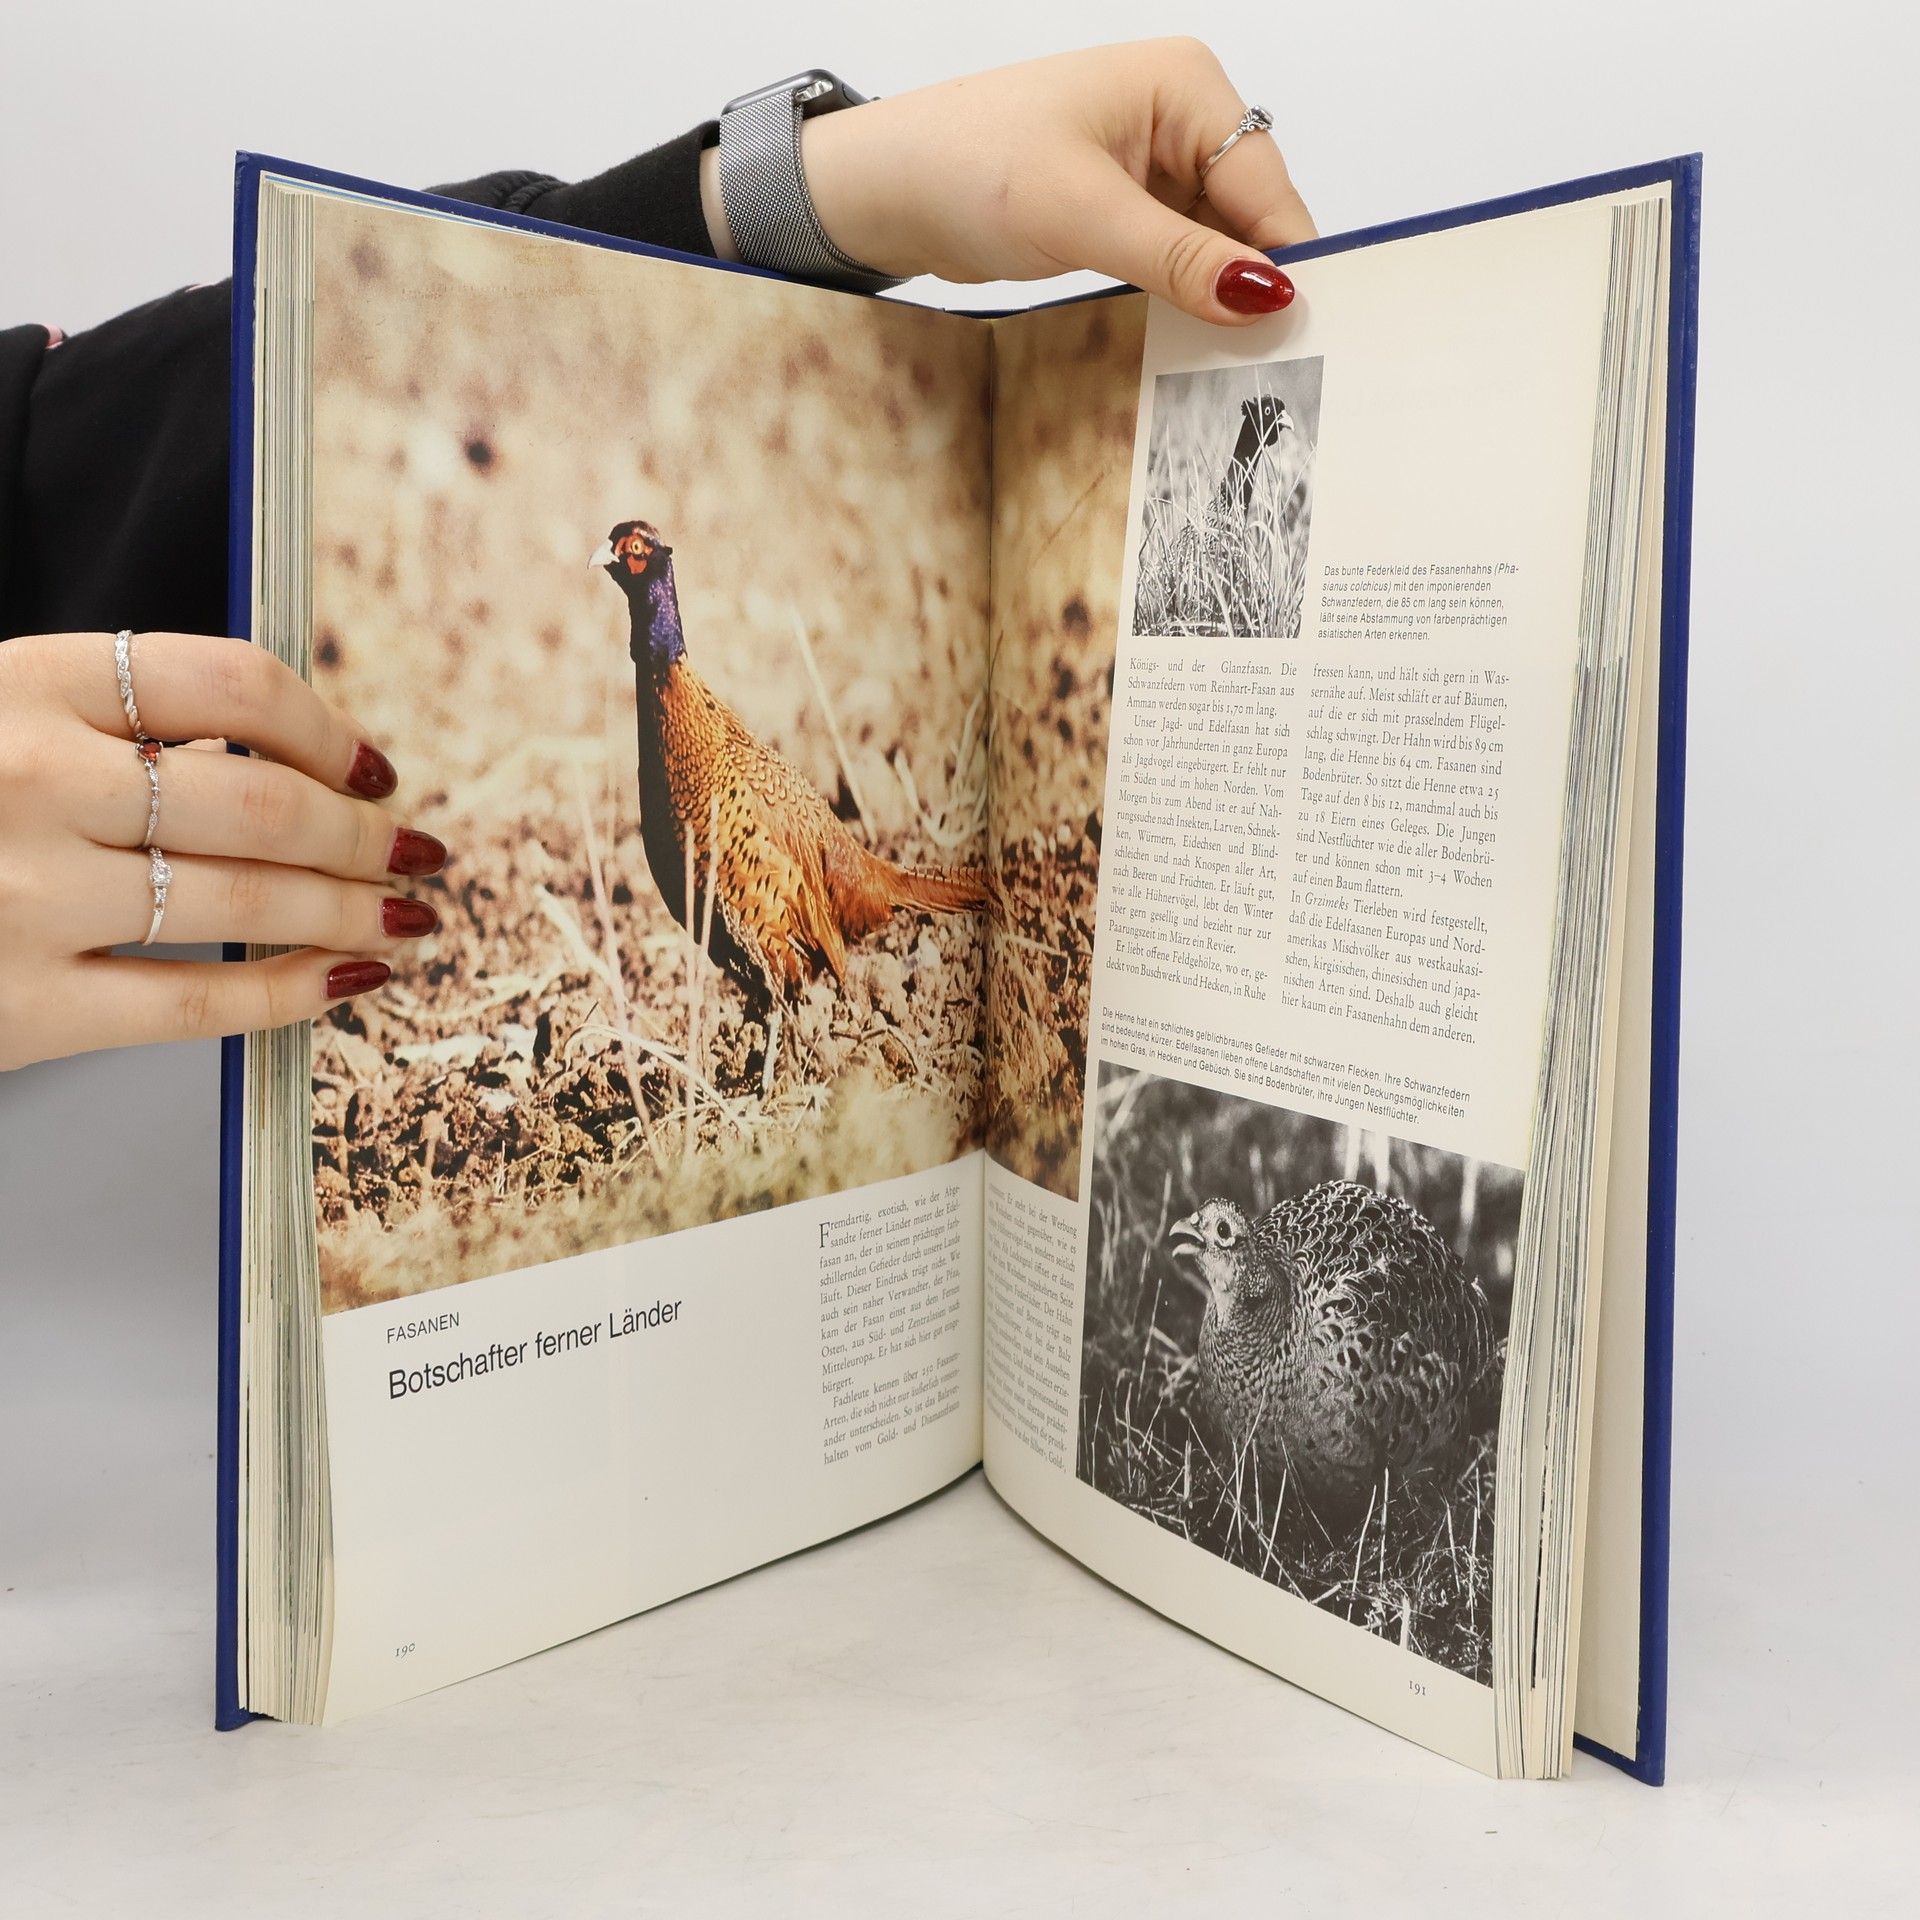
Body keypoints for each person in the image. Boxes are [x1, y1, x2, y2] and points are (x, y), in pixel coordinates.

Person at [0, 40, 1314, 1073]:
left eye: (632, 558)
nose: (610, 559)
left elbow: (82, 444)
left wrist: (816, 187)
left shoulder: (703, 739)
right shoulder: (678, 725)